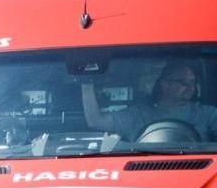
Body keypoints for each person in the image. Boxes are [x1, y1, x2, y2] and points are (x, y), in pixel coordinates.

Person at [84, 61, 217, 142]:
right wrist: (86, 82)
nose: (191, 87)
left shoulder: (207, 114)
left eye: (193, 82)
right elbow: (96, 121)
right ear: (165, 84)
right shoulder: (137, 115)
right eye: (184, 82)